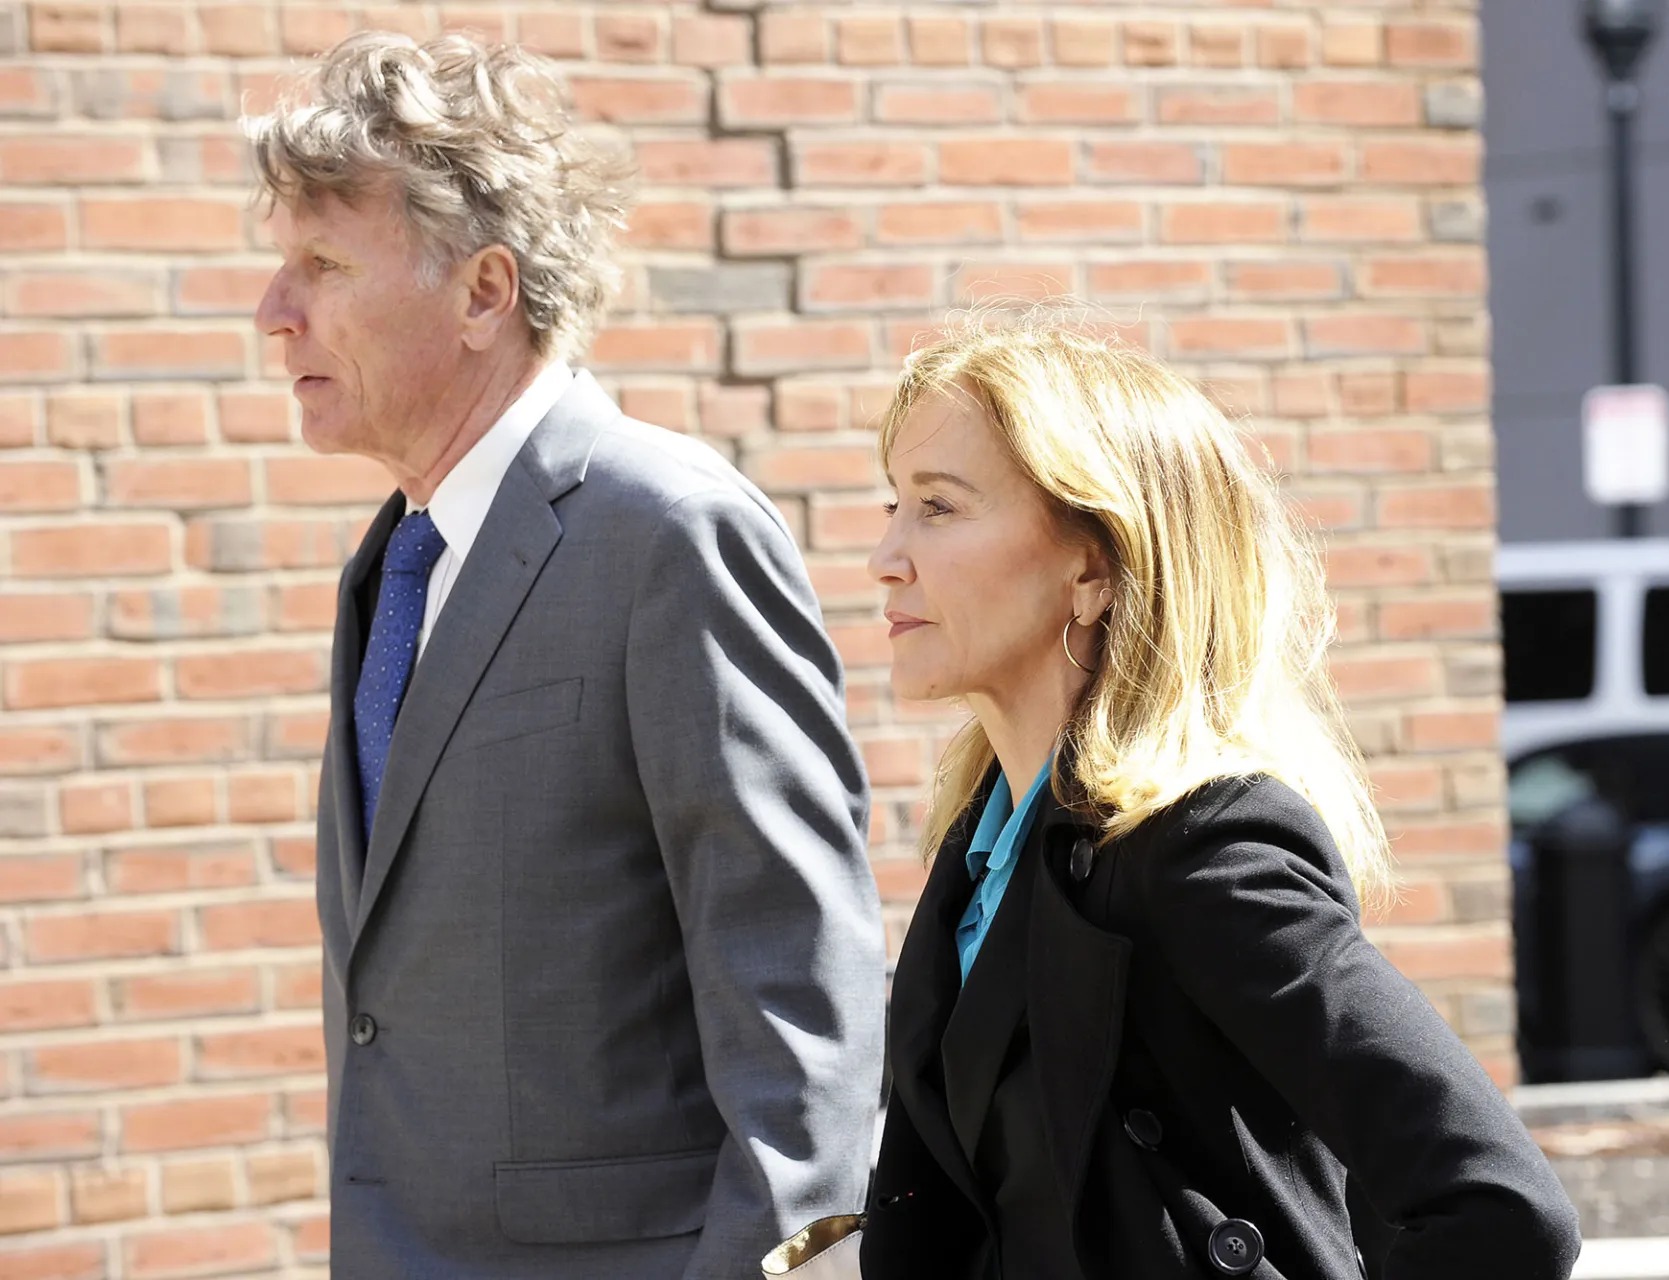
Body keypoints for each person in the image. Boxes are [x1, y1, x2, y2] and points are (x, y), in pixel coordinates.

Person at [246, 33, 884, 1279]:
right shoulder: (395, 561)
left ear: (484, 292)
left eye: (321, 264)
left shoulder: (668, 530)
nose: (275, 311)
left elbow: (798, 1004)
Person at [859, 317, 1581, 1280]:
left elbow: (1501, 1210)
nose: (886, 556)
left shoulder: (1204, 846)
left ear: (1093, 567)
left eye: (939, 507)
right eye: (894, 504)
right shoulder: (983, 845)